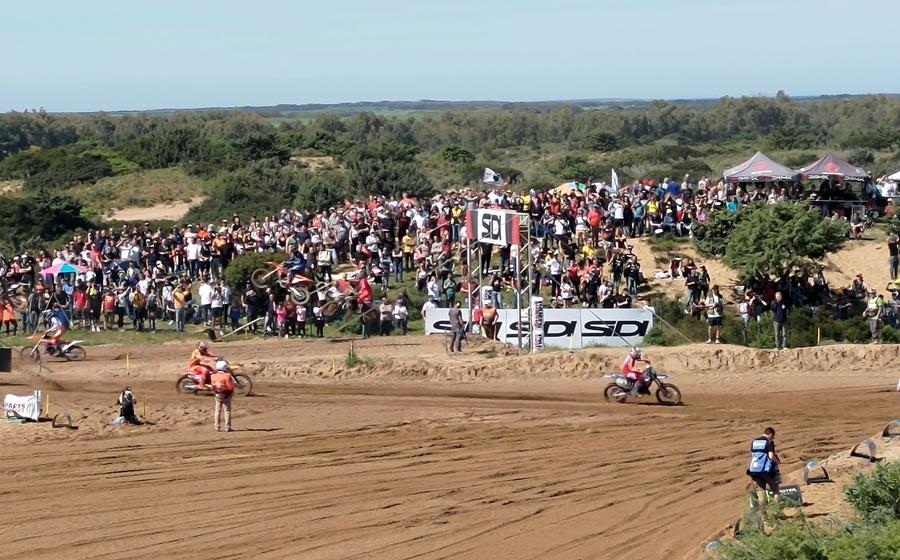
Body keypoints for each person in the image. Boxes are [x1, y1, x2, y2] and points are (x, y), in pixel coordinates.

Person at [746, 427, 781, 503]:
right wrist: (778, 461)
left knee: (761, 492)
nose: (773, 438)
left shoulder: (754, 442)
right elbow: (771, 456)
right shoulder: (769, 442)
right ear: (771, 434)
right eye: (773, 436)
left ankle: (763, 513)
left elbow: (753, 455)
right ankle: (776, 510)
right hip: (765, 470)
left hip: (754, 470)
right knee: (776, 490)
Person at [210, 359, 234, 432]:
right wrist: (231, 393)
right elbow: (230, 387)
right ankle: (227, 427)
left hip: (217, 395)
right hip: (226, 395)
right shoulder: (227, 376)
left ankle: (217, 427)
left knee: (217, 411)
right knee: (227, 411)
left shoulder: (213, 376)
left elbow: (212, 387)